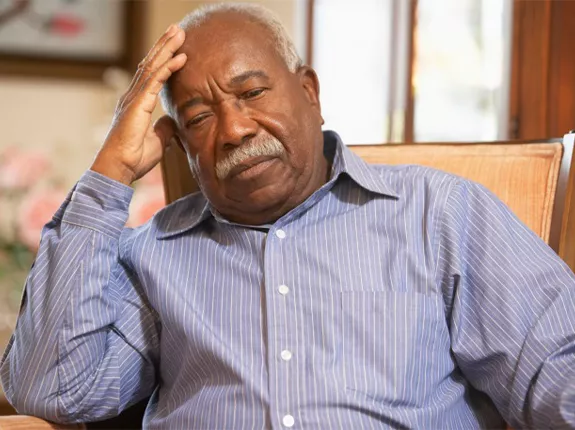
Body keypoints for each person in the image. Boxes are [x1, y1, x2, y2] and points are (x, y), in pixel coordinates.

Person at [2, 3, 575, 429]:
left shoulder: (441, 213)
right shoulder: (151, 254)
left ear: (309, 91)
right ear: (178, 143)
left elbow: (558, 365)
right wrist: (110, 174)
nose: (234, 130)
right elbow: (51, 391)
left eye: (251, 93)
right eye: (199, 118)